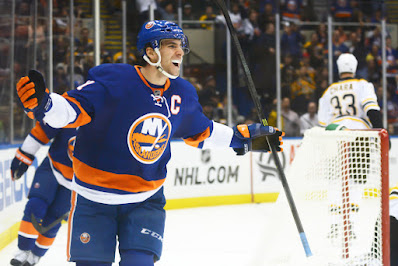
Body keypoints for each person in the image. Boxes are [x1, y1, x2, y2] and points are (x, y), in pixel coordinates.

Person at [15, 20, 283, 265]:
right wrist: (45, 104)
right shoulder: (114, 82)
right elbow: (72, 110)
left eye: (181, 46)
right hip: (93, 199)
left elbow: (202, 131)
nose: (180, 53)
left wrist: (239, 139)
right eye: (171, 46)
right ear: (151, 52)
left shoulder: (183, 94)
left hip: (146, 201)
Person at [318, 53, 384, 245]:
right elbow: (372, 109)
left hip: (334, 136)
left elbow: (322, 122)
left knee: (333, 180)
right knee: (356, 181)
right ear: (354, 67)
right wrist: (381, 133)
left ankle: (334, 224)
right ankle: (351, 224)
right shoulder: (362, 84)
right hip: (359, 135)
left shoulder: (329, 91)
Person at [10, 121, 77, 266]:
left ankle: (35, 255)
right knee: (36, 205)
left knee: (54, 218)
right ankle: (23, 251)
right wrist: (24, 155)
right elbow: (44, 129)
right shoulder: (72, 101)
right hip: (52, 166)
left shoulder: (109, 114)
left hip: (77, 180)